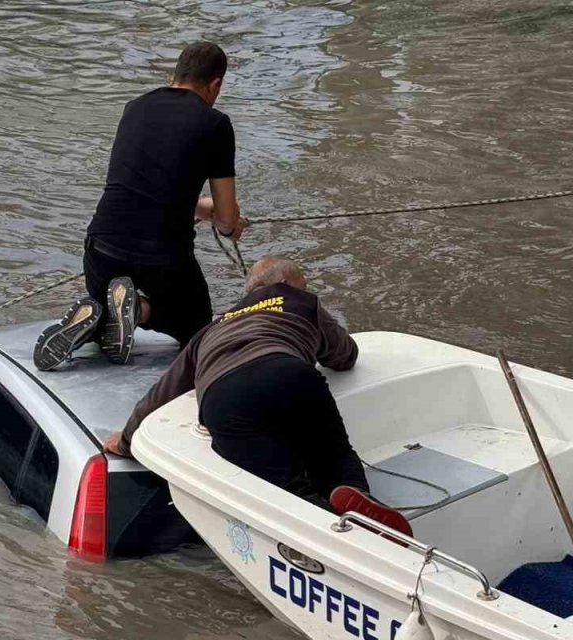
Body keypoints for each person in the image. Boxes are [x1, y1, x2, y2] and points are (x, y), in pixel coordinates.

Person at [103, 257, 412, 535]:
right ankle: (357, 497)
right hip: (290, 372)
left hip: (226, 394)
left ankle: (329, 526)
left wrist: (128, 441)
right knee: (335, 454)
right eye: (303, 283)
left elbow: (162, 393)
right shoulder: (301, 303)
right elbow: (345, 356)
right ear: (286, 284)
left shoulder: (214, 327)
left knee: (283, 489)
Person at [33, 41, 248, 372]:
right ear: (215, 83)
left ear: (175, 73)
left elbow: (147, 188)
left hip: (101, 248)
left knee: (105, 302)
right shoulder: (215, 124)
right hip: (161, 258)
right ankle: (138, 312)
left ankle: (104, 313)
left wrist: (200, 209)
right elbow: (225, 219)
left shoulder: (134, 107)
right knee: (195, 324)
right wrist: (231, 224)